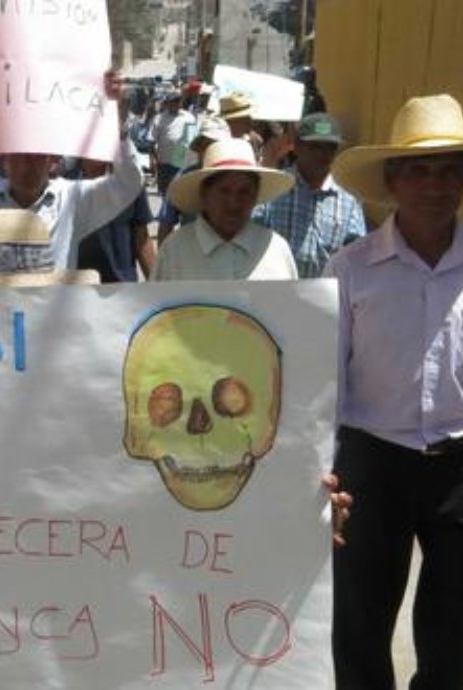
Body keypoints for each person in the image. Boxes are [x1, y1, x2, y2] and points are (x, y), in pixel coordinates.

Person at [325, 93, 463, 689]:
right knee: (358, 625)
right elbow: (325, 382)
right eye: (419, 169)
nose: (435, 184)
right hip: (371, 464)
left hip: (459, 468)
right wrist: (321, 476)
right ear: (392, 180)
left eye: (450, 169)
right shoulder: (351, 268)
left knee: (456, 633)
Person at [0, 61, 144, 273]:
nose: (26, 166)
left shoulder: (73, 202)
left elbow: (129, 183)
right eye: (18, 156)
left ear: (52, 160)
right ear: (4, 158)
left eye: (36, 157)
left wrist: (117, 124)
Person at [152, 138, 298, 280]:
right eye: (224, 191)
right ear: (205, 194)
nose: (233, 203)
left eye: (244, 192)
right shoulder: (174, 251)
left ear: (255, 196)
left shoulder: (276, 251)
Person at [255, 113, 367, 277]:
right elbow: (253, 238)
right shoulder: (275, 188)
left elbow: (357, 254)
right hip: (276, 293)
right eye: (315, 146)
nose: (322, 154)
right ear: (297, 146)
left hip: (325, 297)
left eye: (329, 147)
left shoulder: (348, 201)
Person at [75, 157, 155, 282]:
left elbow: (142, 239)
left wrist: (156, 285)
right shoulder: (63, 184)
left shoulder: (130, 182)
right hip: (77, 287)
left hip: (122, 286)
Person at [156, 115, 231, 243]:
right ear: (199, 148)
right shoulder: (184, 179)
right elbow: (166, 225)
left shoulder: (238, 178)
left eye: (218, 146)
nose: (213, 151)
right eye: (208, 145)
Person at [150, 89, 197, 196]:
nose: (174, 104)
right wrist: (153, 160)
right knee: (165, 192)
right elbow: (152, 141)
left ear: (180, 102)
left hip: (181, 161)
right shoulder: (159, 119)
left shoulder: (188, 118)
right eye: (172, 101)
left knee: (180, 192)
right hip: (164, 162)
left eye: (177, 101)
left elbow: (193, 139)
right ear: (167, 103)